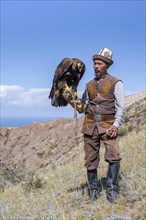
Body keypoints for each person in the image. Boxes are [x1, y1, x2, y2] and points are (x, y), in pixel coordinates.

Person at [62, 48, 125, 204]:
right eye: (95, 63)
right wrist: (71, 100)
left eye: (99, 63)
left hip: (108, 125)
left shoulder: (116, 82)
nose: (96, 66)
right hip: (89, 125)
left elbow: (121, 107)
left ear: (107, 65)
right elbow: (82, 107)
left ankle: (111, 190)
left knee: (114, 157)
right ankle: (93, 192)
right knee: (90, 160)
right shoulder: (89, 84)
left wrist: (116, 125)